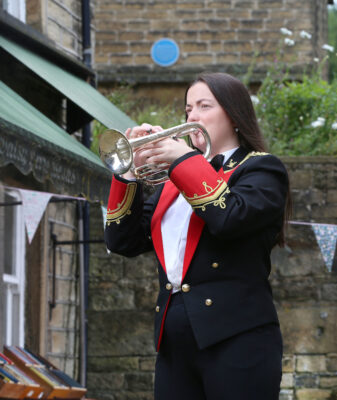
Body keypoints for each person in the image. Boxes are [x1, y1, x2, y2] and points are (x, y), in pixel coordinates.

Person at [104, 72, 289, 399]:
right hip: (174, 343)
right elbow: (123, 241)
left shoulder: (261, 169)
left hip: (238, 338)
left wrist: (183, 160)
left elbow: (228, 217)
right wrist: (129, 171)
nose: (192, 117)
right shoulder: (173, 184)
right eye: (188, 109)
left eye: (204, 106)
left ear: (234, 116)